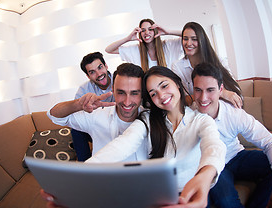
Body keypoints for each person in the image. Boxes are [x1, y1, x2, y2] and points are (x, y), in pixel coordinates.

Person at [87, 66, 226, 208]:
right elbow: (123, 144)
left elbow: (214, 146)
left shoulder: (201, 120)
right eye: (153, 94)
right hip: (157, 196)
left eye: (164, 86)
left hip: (189, 193)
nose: (161, 95)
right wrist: (85, 171)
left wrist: (205, 175)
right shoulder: (147, 119)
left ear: (177, 84)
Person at [191, 63, 272, 208]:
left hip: (237, 155)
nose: (203, 98)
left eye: (210, 90)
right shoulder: (189, 117)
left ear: (221, 90)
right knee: (226, 202)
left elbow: (269, 142)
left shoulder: (234, 114)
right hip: (215, 167)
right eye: (198, 90)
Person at [47, 63, 147, 160]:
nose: (127, 102)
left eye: (134, 93)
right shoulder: (97, 115)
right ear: (113, 89)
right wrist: (79, 104)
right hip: (103, 176)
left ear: (142, 93)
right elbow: (54, 115)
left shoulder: (150, 118)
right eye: (121, 92)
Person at [172, 21, 242, 108]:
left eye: (194, 39)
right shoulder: (177, 66)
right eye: (185, 39)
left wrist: (224, 94)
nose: (188, 43)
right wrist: (220, 93)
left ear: (202, 41)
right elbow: (185, 100)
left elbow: (233, 89)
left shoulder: (218, 60)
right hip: (197, 111)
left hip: (222, 108)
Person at [72, 51, 114, 161]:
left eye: (100, 67)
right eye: (92, 72)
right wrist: (87, 109)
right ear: (88, 75)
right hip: (97, 127)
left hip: (119, 125)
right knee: (75, 130)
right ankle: (85, 166)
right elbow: (77, 117)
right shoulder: (83, 90)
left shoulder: (120, 79)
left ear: (106, 66)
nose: (99, 74)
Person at [105, 18, 183, 71]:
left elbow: (190, 36)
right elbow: (109, 50)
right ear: (140, 34)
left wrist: (168, 32)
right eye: (143, 30)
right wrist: (128, 38)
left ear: (155, 30)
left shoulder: (168, 45)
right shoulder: (135, 50)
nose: (146, 33)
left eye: (150, 29)